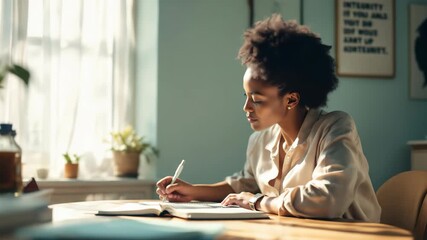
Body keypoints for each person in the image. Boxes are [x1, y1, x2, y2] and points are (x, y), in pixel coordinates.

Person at [156, 14, 381, 222]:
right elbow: (244, 185)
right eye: (246, 96)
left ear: (291, 100)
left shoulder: (336, 128)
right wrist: (192, 191)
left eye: (257, 99)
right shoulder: (261, 140)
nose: (246, 107)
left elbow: (328, 200)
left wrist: (257, 201)